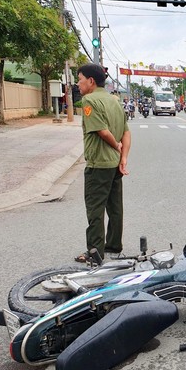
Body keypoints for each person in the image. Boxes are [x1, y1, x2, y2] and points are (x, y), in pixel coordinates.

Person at [74, 63, 131, 263]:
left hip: (98, 164)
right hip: (115, 164)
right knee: (115, 206)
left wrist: (115, 145)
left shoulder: (89, 100)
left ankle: (95, 252)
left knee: (95, 208)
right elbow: (126, 131)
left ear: (90, 81)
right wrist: (123, 157)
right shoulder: (115, 100)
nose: (77, 84)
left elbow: (102, 131)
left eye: (79, 79)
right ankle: (114, 244)